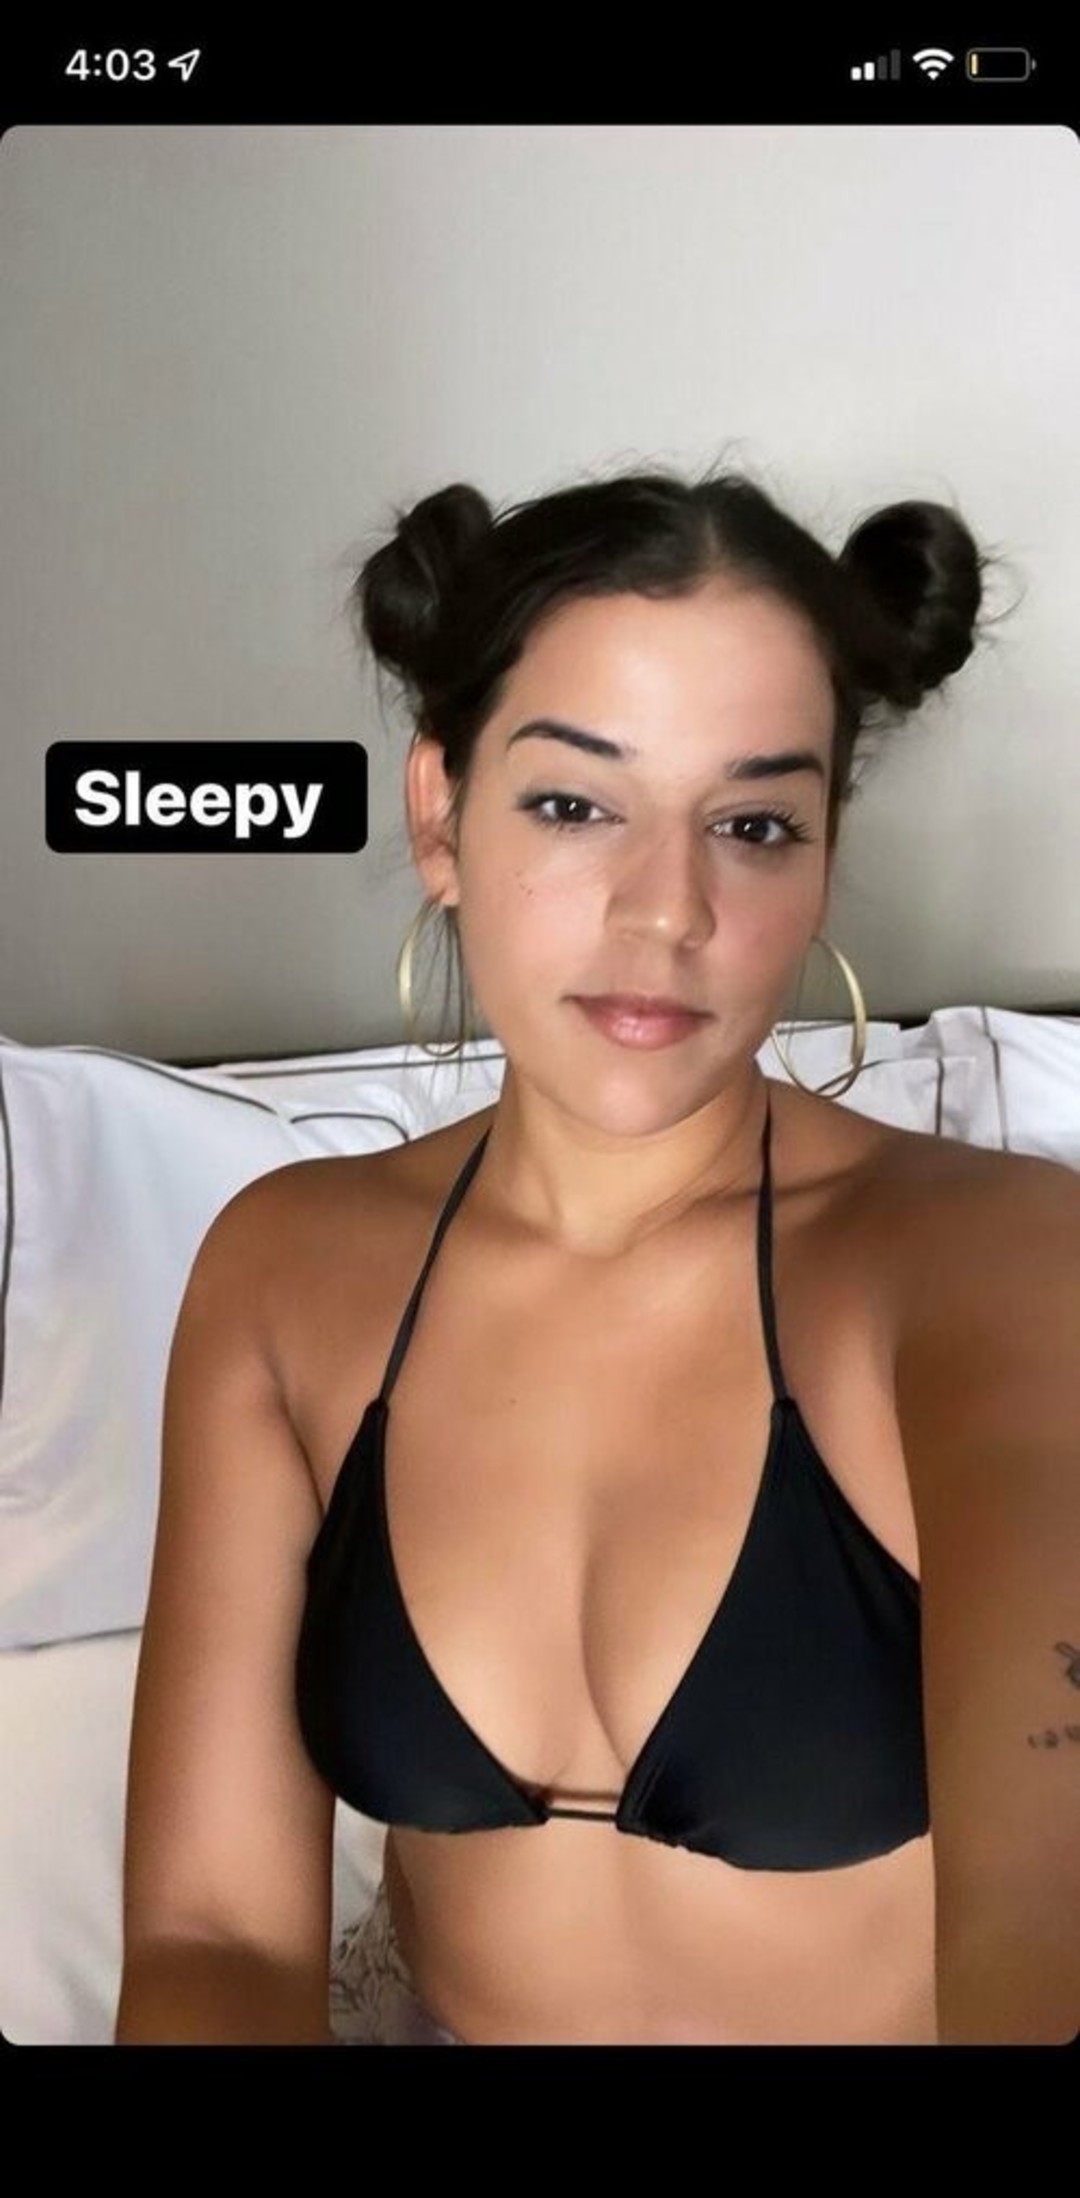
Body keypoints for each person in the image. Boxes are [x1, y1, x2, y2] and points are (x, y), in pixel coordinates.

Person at [116, 462, 1080, 2046]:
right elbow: (208, 1935)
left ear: (824, 856)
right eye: (574, 804)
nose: (667, 910)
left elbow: (1044, 1936)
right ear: (441, 812)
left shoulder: (999, 1273)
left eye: (753, 824)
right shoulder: (285, 1274)